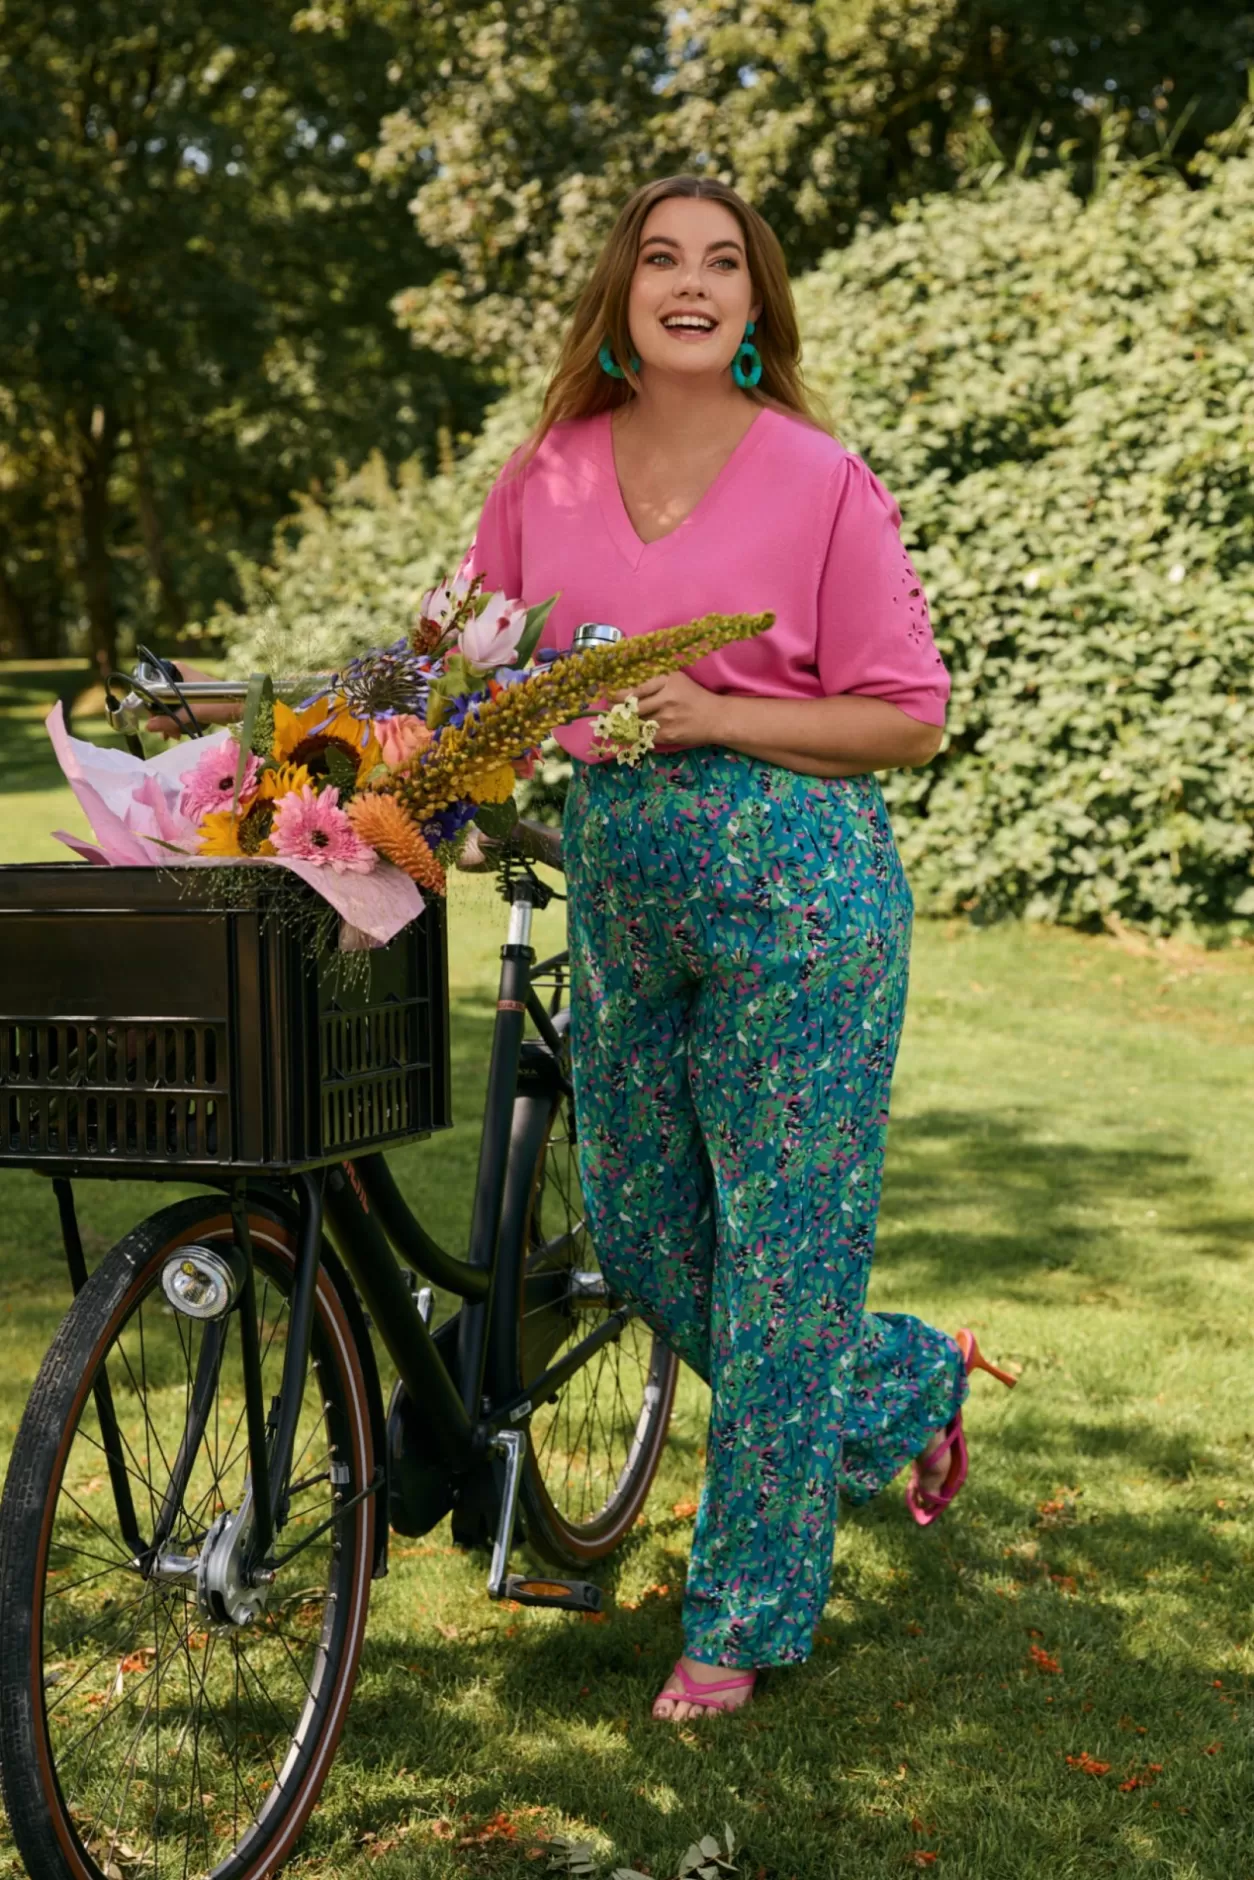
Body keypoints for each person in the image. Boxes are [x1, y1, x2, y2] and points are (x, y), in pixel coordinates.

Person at [466, 174, 1014, 1724]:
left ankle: (737, 1624)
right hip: (622, 893)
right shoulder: (543, 476)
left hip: (805, 899)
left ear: (757, 303)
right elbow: (473, 669)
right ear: (621, 293)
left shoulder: (817, 478)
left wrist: (718, 713)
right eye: (662, 258)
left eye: (723, 262)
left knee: (780, 1271)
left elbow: (907, 717)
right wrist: (423, 781)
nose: (692, 283)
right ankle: (904, 1377)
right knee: (645, 1244)